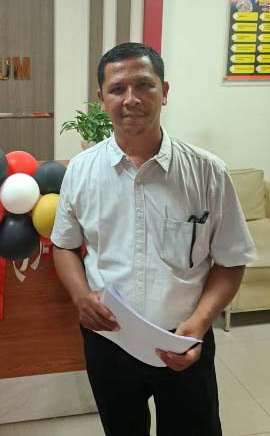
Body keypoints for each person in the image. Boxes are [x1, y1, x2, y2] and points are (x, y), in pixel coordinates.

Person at [51, 42, 257, 436]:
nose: (130, 99)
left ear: (164, 91)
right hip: (109, 340)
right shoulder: (80, 170)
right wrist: (80, 297)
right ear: (101, 99)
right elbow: (64, 244)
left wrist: (199, 323)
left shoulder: (208, 173)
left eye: (144, 85)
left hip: (185, 340)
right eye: (117, 89)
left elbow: (231, 260)